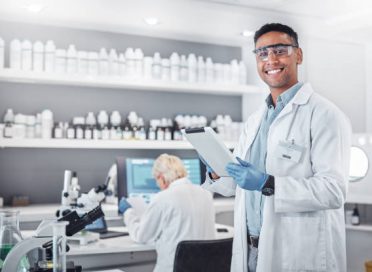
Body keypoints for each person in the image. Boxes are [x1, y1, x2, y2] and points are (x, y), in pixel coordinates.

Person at [201, 23, 351, 272]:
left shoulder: (325, 115)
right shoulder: (255, 120)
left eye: (280, 50)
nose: (271, 59)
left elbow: (333, 191)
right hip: (251, 252)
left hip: (297, 254)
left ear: (298, 55)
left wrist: (268, 184)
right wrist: (219, 171)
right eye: (262, 53)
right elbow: (236, 185)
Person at [119, 153, 215, 272]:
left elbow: (141, 236)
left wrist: (128, 212)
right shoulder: (206, 194)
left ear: (162, 178)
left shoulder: (163, 197)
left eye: (156, 180)